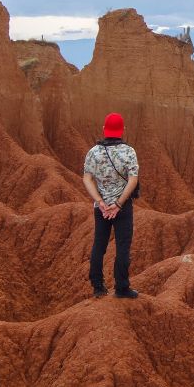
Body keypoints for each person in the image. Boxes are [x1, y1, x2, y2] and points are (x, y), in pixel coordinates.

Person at [82, 112, 139, 299]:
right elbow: (133, 180)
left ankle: (98, 287)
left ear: (104, 130)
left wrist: (100, 201)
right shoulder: (129, 152)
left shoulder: (93, 152)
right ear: (123, 130)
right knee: (123, 247)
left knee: (99, 245)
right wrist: (118, 203)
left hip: (102, 209)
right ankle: (122, 288)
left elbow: (87, 178)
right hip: (122, 208)